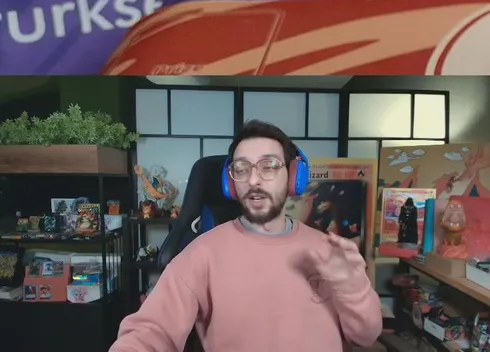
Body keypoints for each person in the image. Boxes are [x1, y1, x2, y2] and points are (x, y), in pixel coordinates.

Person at [110, 121, 383, 352]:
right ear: (230, 183)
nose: (253, 180)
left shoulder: (328, 251)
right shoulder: (202, 253)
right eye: (241, 168)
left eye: (269, 165)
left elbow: (366, 336)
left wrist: (352, 289)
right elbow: (150, 332)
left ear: (293, 176)